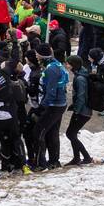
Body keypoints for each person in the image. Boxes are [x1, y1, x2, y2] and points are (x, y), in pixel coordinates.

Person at [32, 42, 68, 170]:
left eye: (37, 53)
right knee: (52, 132)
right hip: (59, 103)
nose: (35, 55)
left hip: (54, 105)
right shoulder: (55, 64)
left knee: (38, 132)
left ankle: (40, 163)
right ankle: (54, 161)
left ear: (41, 55)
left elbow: (51, 91)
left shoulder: (51, 69)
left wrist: (41, 107)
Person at [64, 55, 93, 166]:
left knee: (70, 134)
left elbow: (81, 96)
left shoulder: (80, 78)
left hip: (82, 112)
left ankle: (85, 157)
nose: (66, 65)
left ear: (73, 65)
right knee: (72, 134)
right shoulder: (81, 74)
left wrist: (76, 110)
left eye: (68, 63)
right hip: (82, 110)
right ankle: (77, 158)